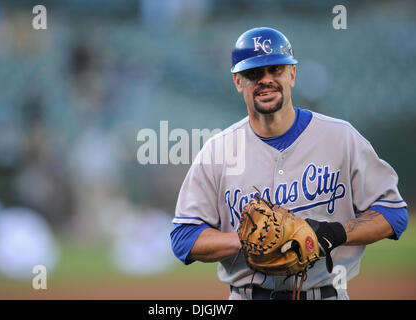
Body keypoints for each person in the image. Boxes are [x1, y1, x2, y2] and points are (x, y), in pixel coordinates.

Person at [170, 27, 408, 300]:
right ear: (238, 82)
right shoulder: (217, 151)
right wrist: (250, 240)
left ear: (292, 74)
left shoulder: (341, 137)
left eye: (275, 70)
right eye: (254, 74)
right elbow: (184, 238)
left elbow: (393, 214)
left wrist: (333, 233)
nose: (265, 80)